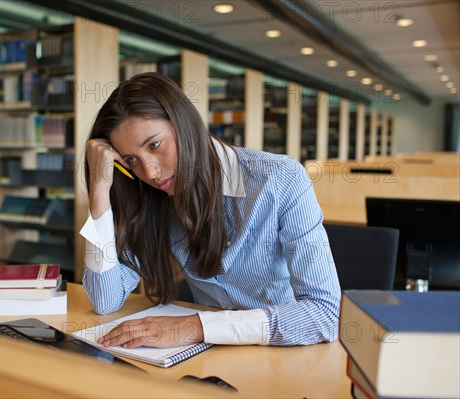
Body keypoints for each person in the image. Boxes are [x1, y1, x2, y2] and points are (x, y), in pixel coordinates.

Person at [80, 72, 341, 349]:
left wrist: (196, 327)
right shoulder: (153, 198)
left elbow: (323, 314)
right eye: (131, 160)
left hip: (283, 351)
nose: (151, 172)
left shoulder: (280, 179)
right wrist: (99, 194)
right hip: (204, 356)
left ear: (184, 123)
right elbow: (105, 301)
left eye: (155, 145)